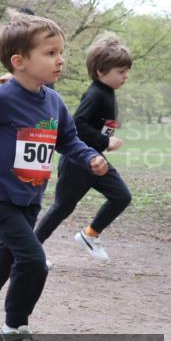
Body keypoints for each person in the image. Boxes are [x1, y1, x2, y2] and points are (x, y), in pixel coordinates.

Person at [0, 12, 108, 341]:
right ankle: (15, 329)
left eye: (61, 52)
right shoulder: (0, 99)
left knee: (8, 256)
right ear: (19, 62)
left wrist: (90, 157)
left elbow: (69, 141)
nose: (61, 59)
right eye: (50, 53)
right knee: (34, 260)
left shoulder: (54, 102)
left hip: (31, 197)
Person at [35, 35, 133, 263]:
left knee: (121, 196)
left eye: (126, 71)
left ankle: (89, 235)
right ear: (101, 71)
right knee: (62, 208)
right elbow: (77, 125)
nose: (125, 76)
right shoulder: (95, 94)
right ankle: (28, 251)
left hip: (95, 160)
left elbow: (96, 126)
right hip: (78, 161)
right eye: (120, 71)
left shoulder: (107, 93)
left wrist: (105, 139)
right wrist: (105, 141)